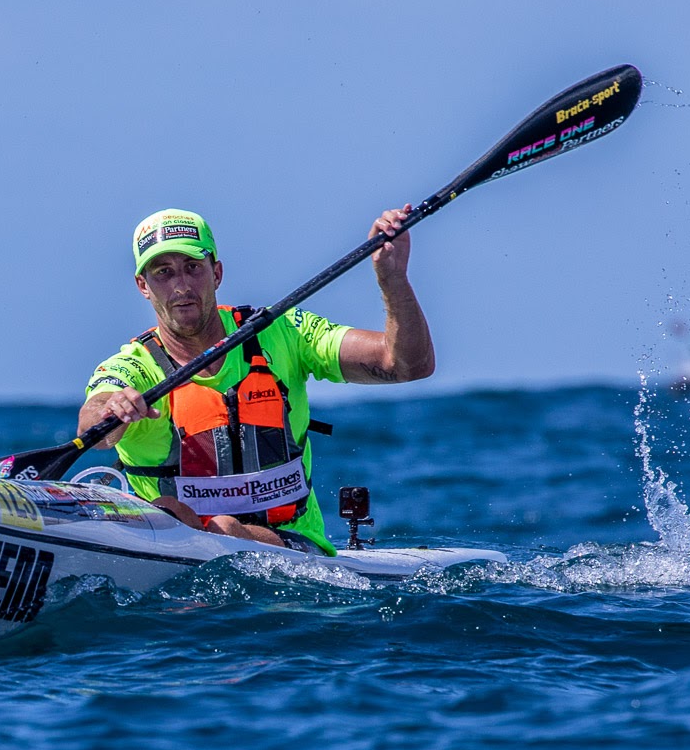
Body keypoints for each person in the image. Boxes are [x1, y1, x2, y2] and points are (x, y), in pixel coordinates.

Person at [78, 207, 434, 554]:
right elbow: (93, 426)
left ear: (216, 273)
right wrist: (111, 410)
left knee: (223, 527)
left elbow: (406, 365)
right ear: (143, 285)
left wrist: (393, 279)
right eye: (164, 273)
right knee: (170, 511)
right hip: (171, 546)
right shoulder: (133, 367)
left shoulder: (282, 332)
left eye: (192, 267)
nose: (181, 285)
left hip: (297, 550)